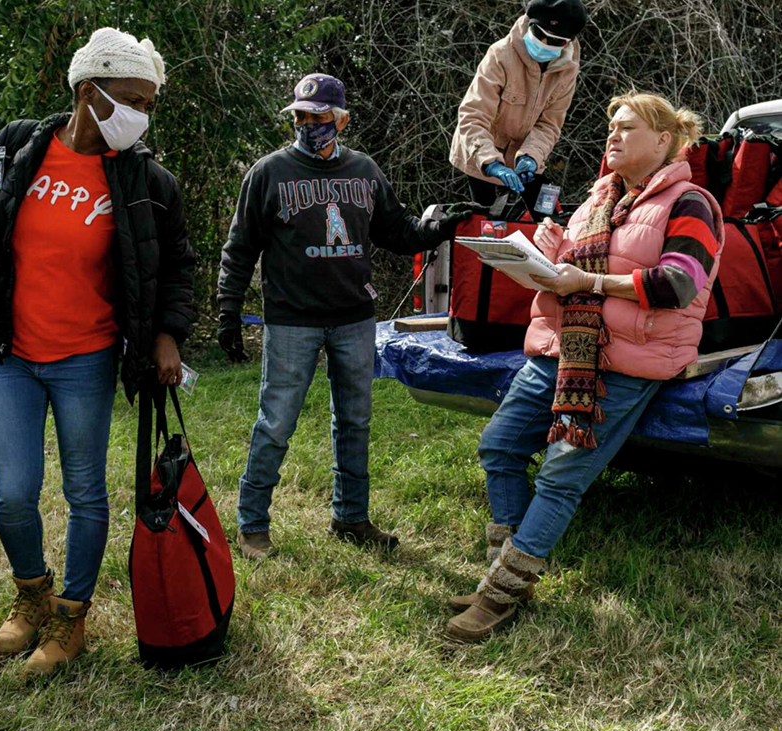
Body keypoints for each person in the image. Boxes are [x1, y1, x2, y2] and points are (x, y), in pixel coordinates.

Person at [0, 27, 195, 674]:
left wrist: (166, 335)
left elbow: (176, 263)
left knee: (86, 493)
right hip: (11, 353)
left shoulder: (145, 179)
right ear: (88, 92)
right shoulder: (13, 150)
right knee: (13, 495)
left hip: (86, 359)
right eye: (132, 100)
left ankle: (72, 619)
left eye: (149, 105)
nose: (140, 116)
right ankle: (32, 594)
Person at [446, 91, 725, 641]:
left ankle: (499, 597)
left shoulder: (693, 204)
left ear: (665, 140)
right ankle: (507, 574)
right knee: (499, 446)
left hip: (626, 359)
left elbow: (677, 284)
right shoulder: (598, 197)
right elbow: (573, 269)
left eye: (626, 128)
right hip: (563, 347)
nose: (612, 137)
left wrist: (587, 281)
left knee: (560, 475)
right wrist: (548, 256)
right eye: (610, 129)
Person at [217, 73, 472, 560]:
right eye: (300, 117)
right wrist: (229, 310)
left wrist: (437, 229)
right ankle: (252, 526)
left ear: (342, 119)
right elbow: (240, 248)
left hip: (355, 317)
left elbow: (396, 231)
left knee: (354, 421)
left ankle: (351, 517)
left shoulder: (365, 170)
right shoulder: (268, 173)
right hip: (292, 319)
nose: (308, 125)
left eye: (319, 117)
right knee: (276, 423)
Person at [449, 0, 586, 216]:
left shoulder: (568, 70)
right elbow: (473, 116)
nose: (543, 43)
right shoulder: (500, 55)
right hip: (481, 150)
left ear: (568, 43)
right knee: (485, 221)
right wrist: (491, 162)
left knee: (546, 214)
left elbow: (549, 124)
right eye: (539, 33)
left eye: (554, 41)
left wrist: (530, 157)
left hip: (525, 155)